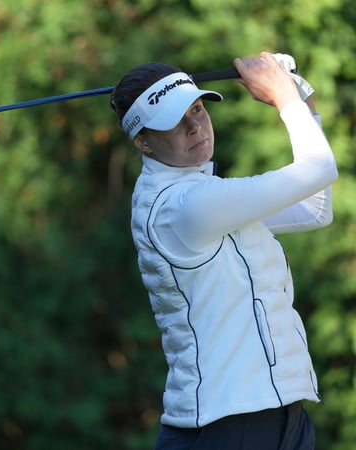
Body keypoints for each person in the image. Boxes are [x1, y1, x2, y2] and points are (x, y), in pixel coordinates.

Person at [108, 51, 336, 449]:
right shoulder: (181, 209)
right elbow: (318, 169)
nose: (194, 127)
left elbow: (315, 207)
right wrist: (284, 98)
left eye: (197, 109)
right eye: (173, 122)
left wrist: (299, 89)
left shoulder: (208, 196)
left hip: (283, 417)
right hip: (223, 428)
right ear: (142, 141)